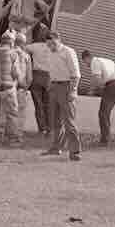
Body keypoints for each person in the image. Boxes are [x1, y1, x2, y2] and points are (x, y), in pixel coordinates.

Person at [42, 31, 82, 161]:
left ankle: (75, 151)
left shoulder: (68, 52)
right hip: (54, 87)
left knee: (69, 121)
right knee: (55, 121)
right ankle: (55, 148)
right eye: (49, 44)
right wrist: (49, 85)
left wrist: (73, 91)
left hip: (66, 87)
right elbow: (50, 70)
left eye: (53, 43)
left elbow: (75, 74)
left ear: (58, 40)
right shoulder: (48, 52)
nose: (51, 46)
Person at [0, 30, 22, 146]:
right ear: (12, 42)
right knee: (12, 113)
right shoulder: (13, 54)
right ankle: (12, 139)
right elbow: (16, 73)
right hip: (8, 88)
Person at [81, 50, 115, 145]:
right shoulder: (107, 61)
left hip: (113, 85)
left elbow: (97, 79)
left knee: (103, 113)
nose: (86, 65)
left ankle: (105, 140)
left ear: (87, 58)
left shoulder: (95, 62)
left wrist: (92, 90)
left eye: (85, 62)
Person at [25, 31, 53, 135]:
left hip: (36, 76)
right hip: (49, 76)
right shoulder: (52, 47)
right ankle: (50, 127)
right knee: (48, 104)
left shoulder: (34, 46)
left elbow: (24, 47)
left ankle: (42, 128)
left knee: (38, 104)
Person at [14, 33, 34, 142]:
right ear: (23, 43)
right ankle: (18, 136)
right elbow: (30, 76)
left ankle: (5, 135)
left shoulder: (9, 53)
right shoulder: (26, 56)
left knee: (8, 113)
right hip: (21, 88)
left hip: (9, 87)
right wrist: (26, 87)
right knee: (20, 113)